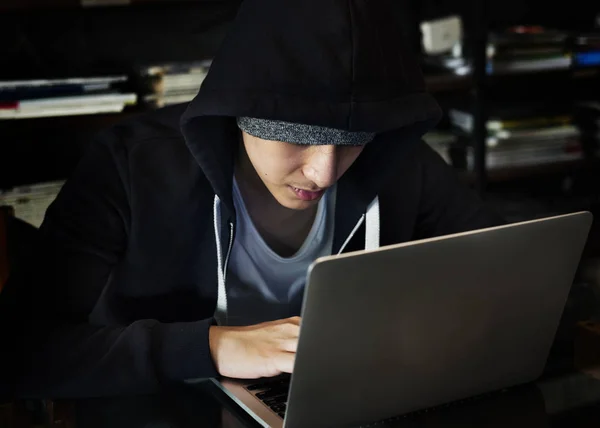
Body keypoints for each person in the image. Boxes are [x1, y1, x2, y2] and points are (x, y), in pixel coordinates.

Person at [5, 0, 503, 398]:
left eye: (352, 141)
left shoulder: (398, 163)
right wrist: (211, 348)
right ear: (240, 115)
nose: (324, 172)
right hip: (163, 406)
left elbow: (501, 274)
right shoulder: (133, 164)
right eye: (297, 138)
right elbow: (21, 353)